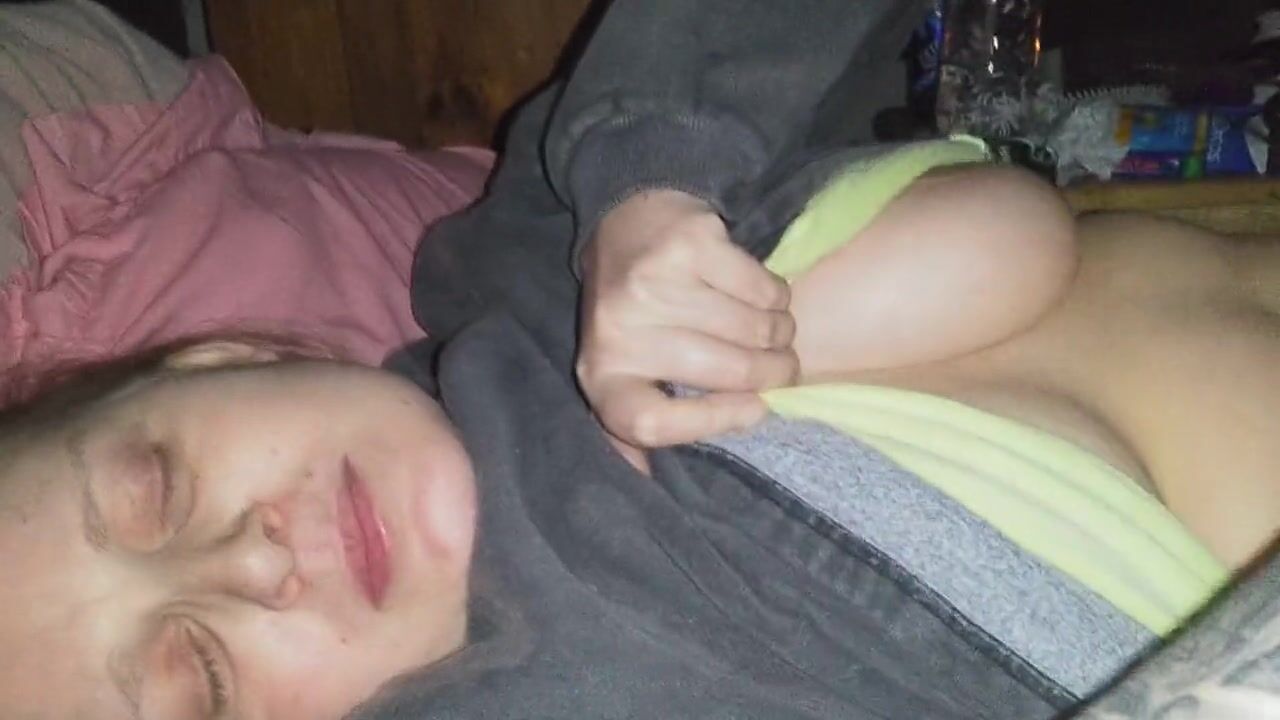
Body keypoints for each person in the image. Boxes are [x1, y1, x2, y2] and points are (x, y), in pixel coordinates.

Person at [1, 3, 1278, 720]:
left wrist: (644, 178)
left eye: (153, 488)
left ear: (214, 359)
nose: (251, 564)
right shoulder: (556, 678)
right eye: (200, 683)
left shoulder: (518, 247)